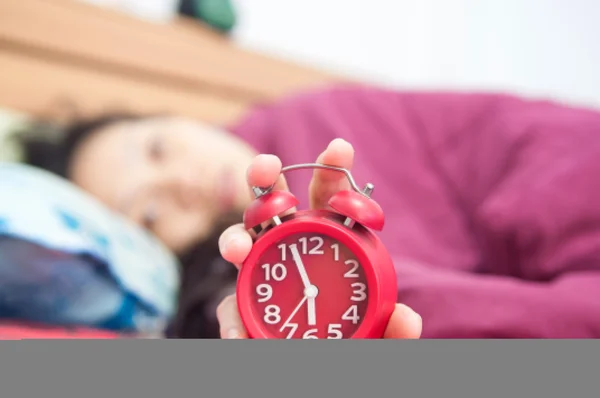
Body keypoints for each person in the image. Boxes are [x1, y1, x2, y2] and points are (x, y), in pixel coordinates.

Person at [14, 84, 600, 338]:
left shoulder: (323, 114)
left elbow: (516, 146)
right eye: (148, 214)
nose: (184, 182)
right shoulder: (235, 302)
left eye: (159, 147)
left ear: (176, 116)